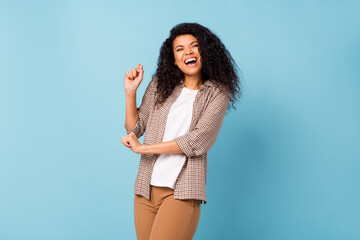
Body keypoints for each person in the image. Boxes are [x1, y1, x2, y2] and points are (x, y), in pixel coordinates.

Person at [121, 22, 241, 240]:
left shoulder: (217, 93)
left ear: (205, 52)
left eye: (194, 46)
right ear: (174, 60)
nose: (188, 52)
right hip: (146, 189)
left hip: (182, 192)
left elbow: (197, 141)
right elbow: (135, 128)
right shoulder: (160, 85)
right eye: (180, 49)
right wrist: (130, 93)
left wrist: (143, 149)